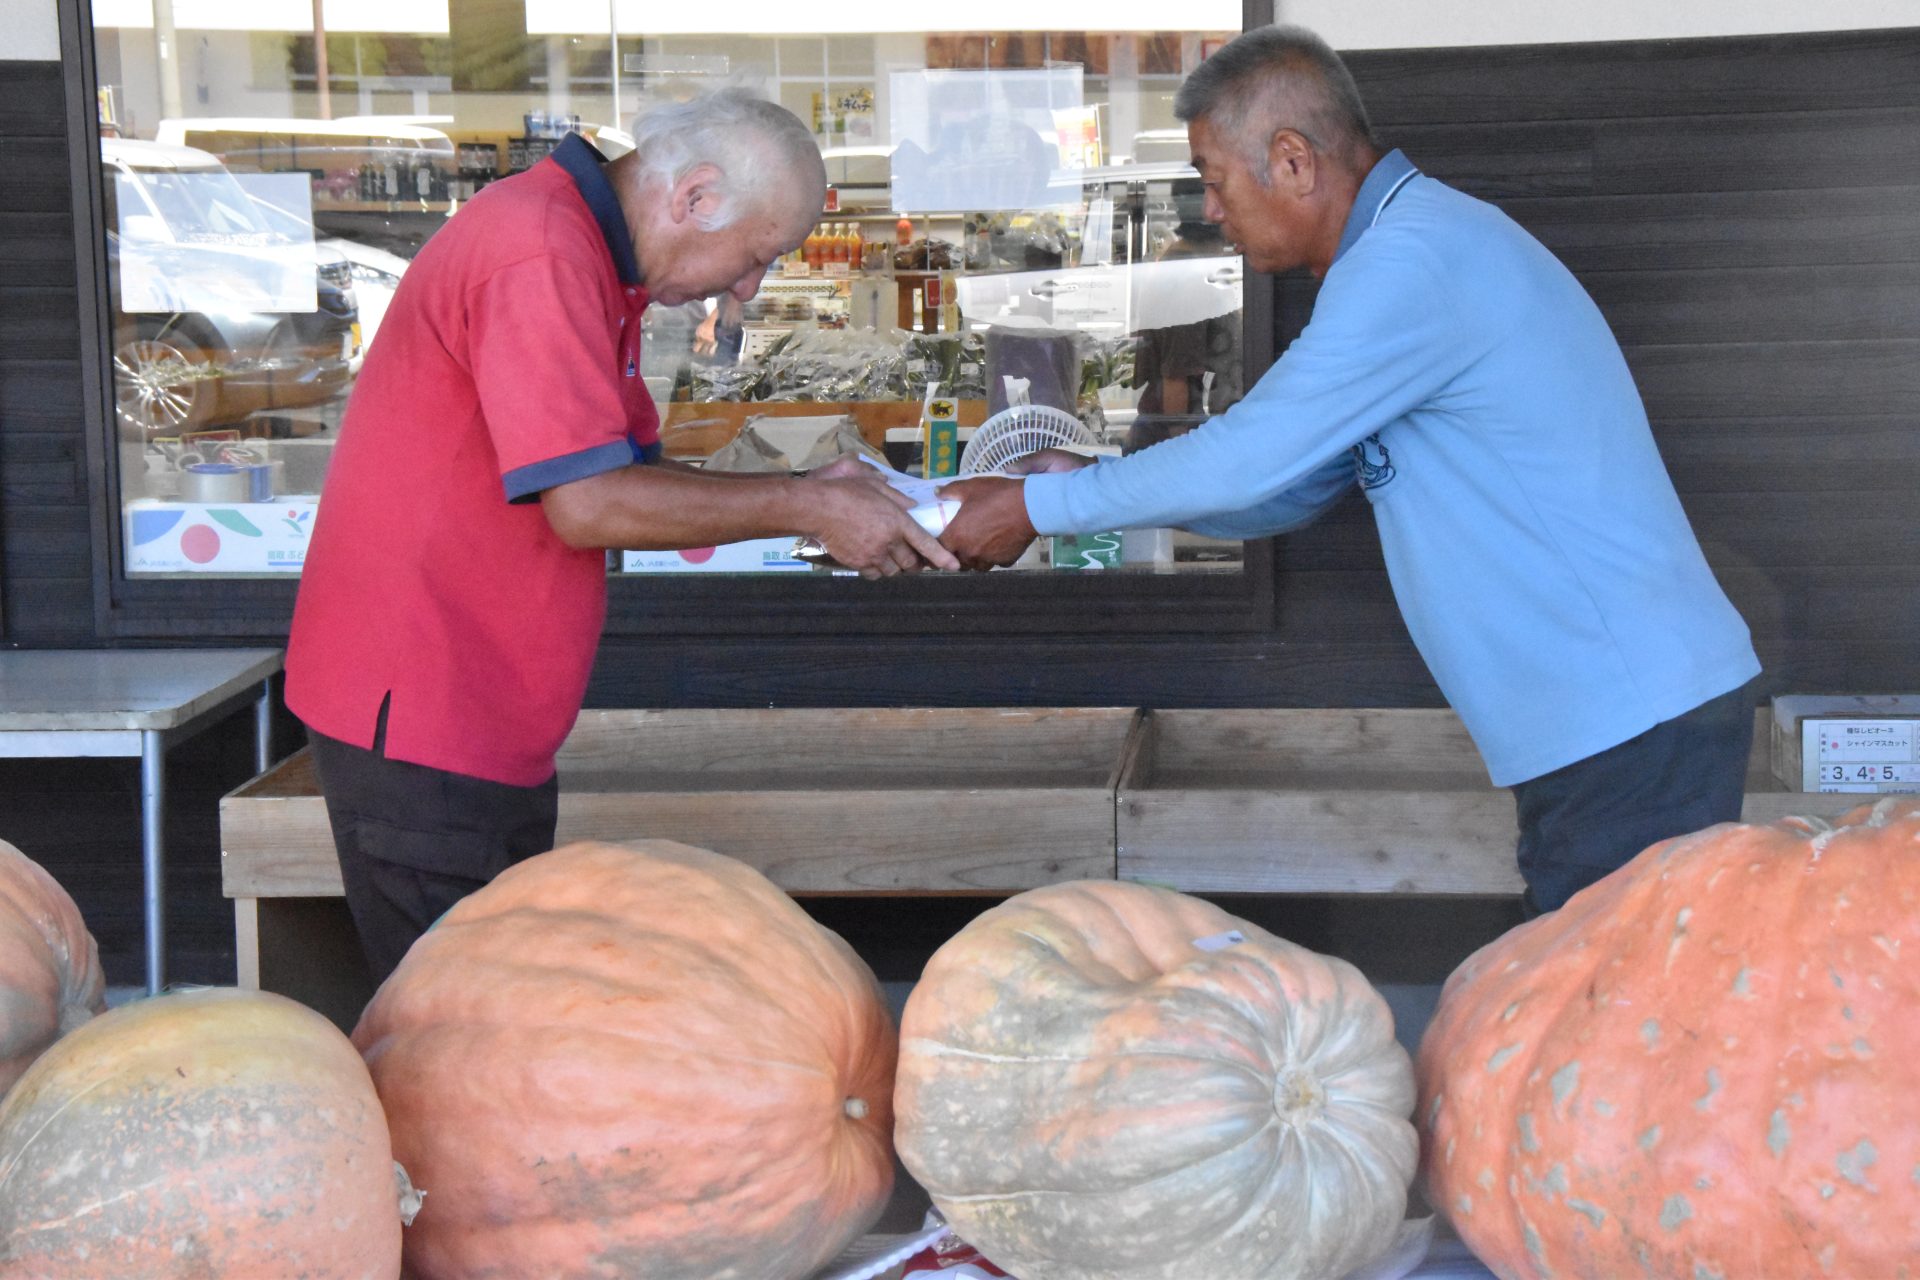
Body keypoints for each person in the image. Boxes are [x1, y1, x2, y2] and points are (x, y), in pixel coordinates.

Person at [938, 25, 1761, 916]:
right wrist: (1082, 483)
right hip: (1610, 720)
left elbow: (1249, 454)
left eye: (1215, 180)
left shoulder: (1414, 261)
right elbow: (1281, 487)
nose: (1211, 209)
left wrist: (1040, 503)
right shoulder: (1405, 254)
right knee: (1590, 980)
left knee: (1610, 992)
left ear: (1293, 161)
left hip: (1628, 719)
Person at [286, 88, 957, 981]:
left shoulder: (579, 247)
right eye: (757, 255)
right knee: (456, 1025)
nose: (749, 287)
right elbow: (590, 505)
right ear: (695, 197)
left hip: (474, 707)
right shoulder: (539, 251)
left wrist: (813, 491)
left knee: (485, 1007)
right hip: (426, 708)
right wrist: (805, 507)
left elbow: (622, 475)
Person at [1127, 177, 1244, 454]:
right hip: (1176, 439)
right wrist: (1179, 447)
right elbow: (1175, 375)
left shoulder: (1191, 265)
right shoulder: (1189, 278)